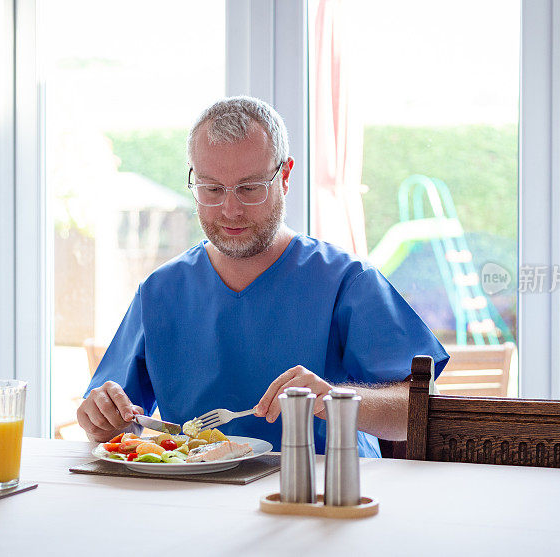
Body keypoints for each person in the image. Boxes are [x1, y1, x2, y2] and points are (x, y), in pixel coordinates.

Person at [79, 96, 449, 457]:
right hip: (194, 502)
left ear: (284, 177)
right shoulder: (160, 292)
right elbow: (111, 421)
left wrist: (334, 400)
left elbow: (419, 410)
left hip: (326, 498)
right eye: (211, 189)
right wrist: (101, 417)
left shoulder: (347, 282)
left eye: (249, 188)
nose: (230, 209)